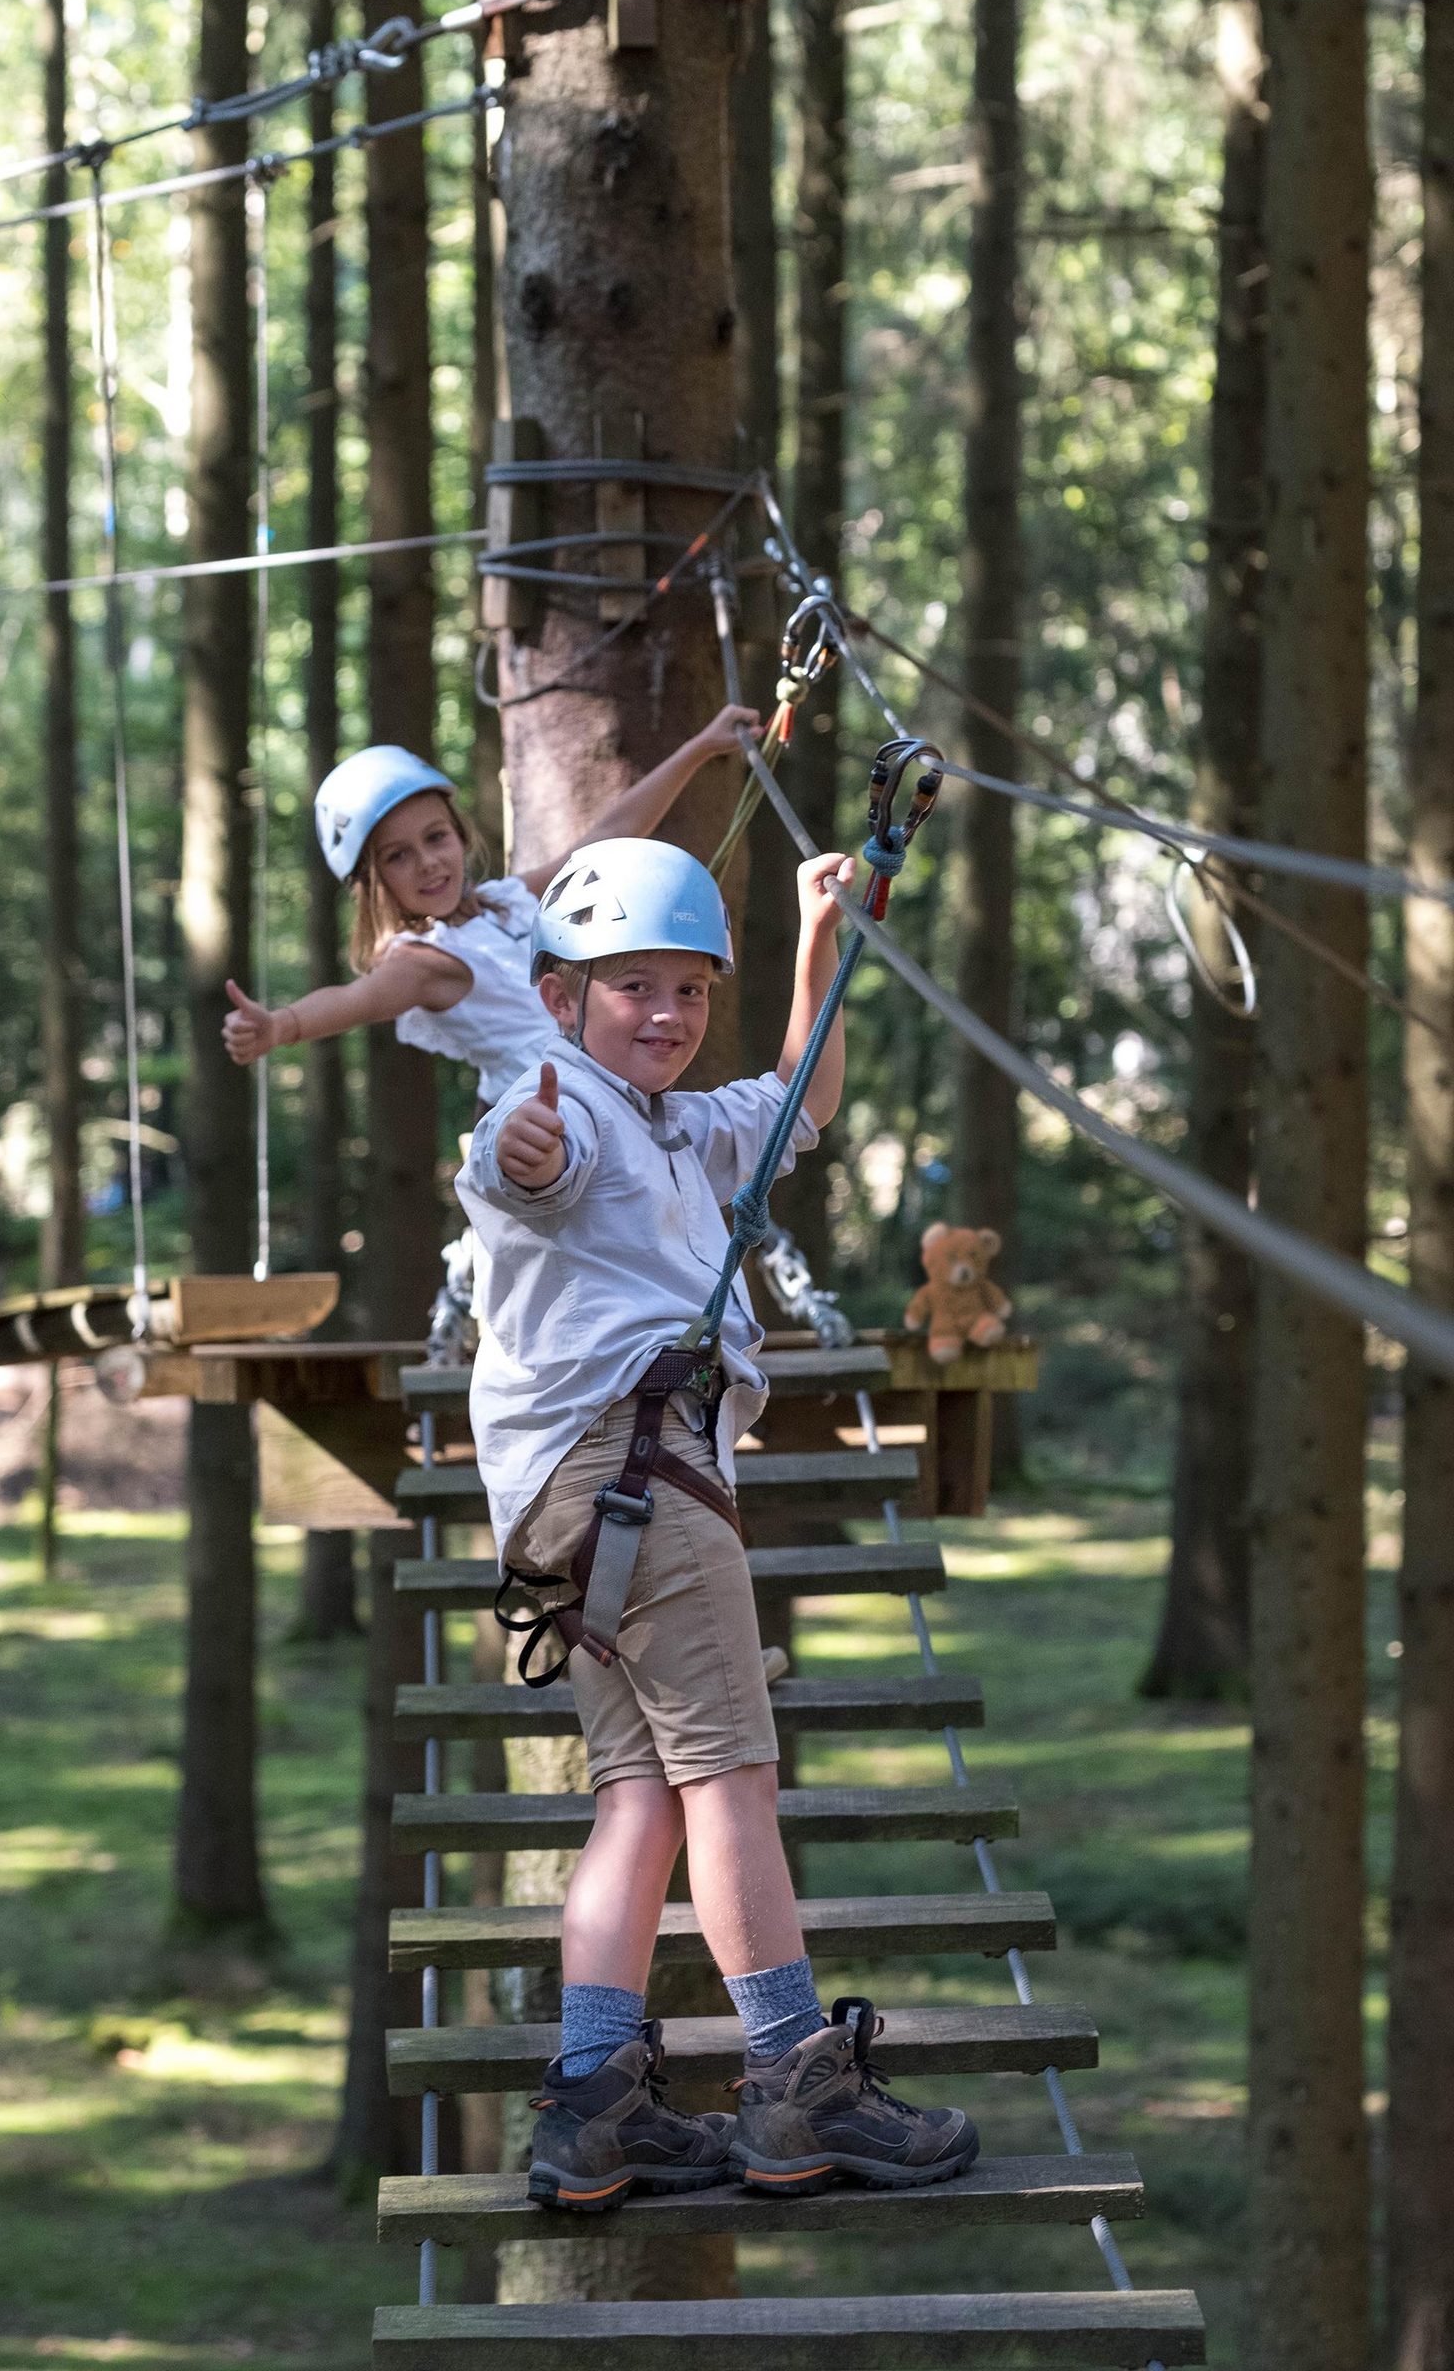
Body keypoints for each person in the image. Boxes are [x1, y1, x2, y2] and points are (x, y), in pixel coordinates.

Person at [455, 836, 981, 2211]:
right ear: (565, 997)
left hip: (585, 1504)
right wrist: (522, 1142)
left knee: (640, 1795)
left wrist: (820, 941)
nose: (668, 1016)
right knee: (732, 1776)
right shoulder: (557, 1105)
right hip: (634, 1478)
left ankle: (594, 2104)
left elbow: (803, 1099)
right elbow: (523, 1167)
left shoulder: (678, 1126)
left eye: (689, 990)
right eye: (634, 987)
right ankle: (797, 2078)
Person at [220, 704, 760, 1106]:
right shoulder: (422, 963)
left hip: (606, 1099)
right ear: (374, 879)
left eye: (436, 838)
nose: (428, 863)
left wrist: (701, 748)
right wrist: (280, 1026)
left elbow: (609, 834)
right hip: (542, 1121)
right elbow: (352, 999)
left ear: (459, 834)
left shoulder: (507, 902)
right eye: (399, 856)